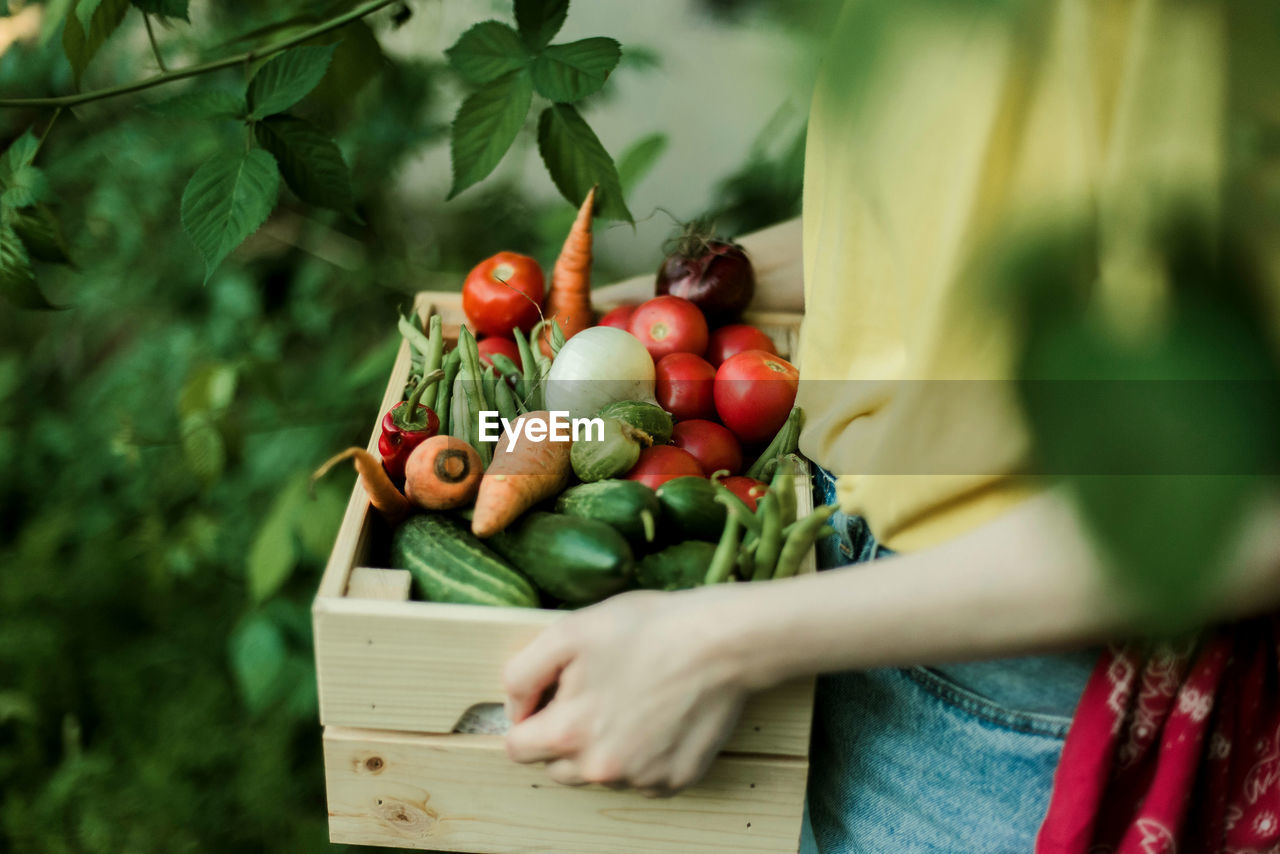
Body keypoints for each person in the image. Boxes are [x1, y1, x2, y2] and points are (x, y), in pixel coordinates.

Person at [500, 1, 1280, 850]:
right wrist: (667, 307)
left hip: (1021, 682)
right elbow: (963, 200)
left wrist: (716, 645)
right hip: (820, 557)